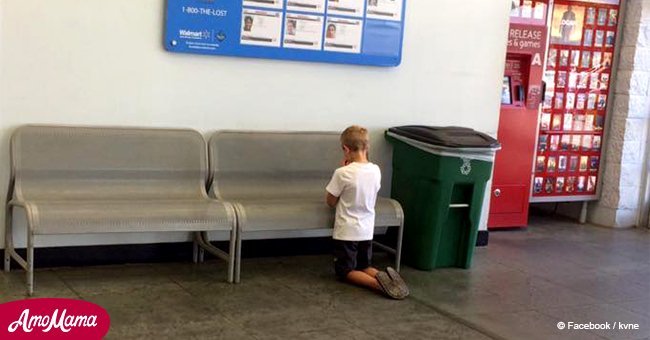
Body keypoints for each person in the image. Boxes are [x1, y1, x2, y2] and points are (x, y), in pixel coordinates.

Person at [325, 126, 409, 300]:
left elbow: (330, 201)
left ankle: (378, 285)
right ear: (367, 148)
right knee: (364, 265)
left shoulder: (342, 173)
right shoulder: (376, 170)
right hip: (366, 229)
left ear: (345, 149)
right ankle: (386, 277)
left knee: (345, 270)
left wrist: (343, 170)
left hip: (347, 231)